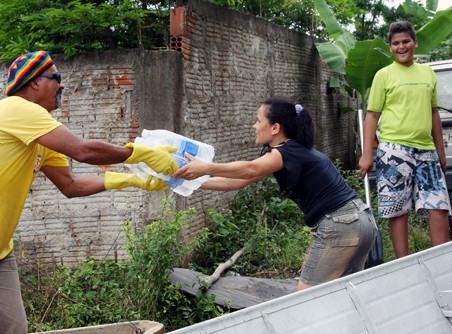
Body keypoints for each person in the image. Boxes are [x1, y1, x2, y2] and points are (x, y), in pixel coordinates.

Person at [0, 51, 178, 334]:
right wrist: (137, 154)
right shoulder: (15, 108)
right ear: (34, 83)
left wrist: (129, 181)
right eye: (56, 78)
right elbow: (82, 150)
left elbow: (70, 185)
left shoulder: (40, 136)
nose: (62, 86)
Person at [173, 96, 378, 291]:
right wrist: (186, 182)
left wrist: (207, 167)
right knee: (343, 292)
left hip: (342, 223)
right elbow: (237, 182)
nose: (254, 125)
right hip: (361, 220)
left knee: (309, 295)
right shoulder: (291, 151)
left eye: (258, 120)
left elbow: (251, 169)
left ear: (275, 128)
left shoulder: (287, 151)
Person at [358, 21, 450, 259]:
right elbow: (372, 116)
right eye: (396, 43)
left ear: (415, 43)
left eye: (406, 42)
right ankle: (404, 264)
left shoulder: (428, 73)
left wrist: (440, 150)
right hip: (393, 151)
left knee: (438, 206)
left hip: (426, 150)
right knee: (398, 210)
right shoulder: (383, 75)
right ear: (390, 47)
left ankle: (442, 263)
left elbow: (433, 113)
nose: (402, 47)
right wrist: (367, 153)